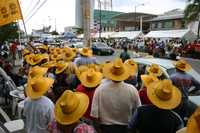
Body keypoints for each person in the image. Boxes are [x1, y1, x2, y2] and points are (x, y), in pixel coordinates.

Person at [91, 58, 141, 133]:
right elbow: (138, 111)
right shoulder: (132, 90)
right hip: (126, 128)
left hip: (106, 128)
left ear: (110, 73)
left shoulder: (100, 89)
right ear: (124, 73)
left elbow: (94, 116)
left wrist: (99, 131)